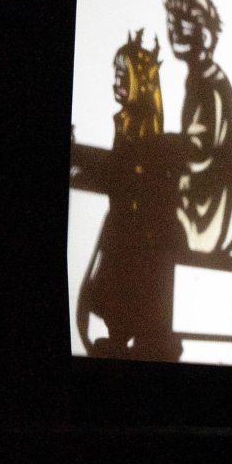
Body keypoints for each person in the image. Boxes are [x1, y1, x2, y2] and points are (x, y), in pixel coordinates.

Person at [84, 30, 183, 360]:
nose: (116, 82)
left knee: (123, 248)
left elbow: (125, 169)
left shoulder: (140, 124)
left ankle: (129, 332)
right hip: (134, 221)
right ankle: (122, 331)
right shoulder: (131, 119)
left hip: (143, 228)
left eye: (121, 75)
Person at [164, 0, 232, 254]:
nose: (174, 27)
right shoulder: (201, 78)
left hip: (211, 215)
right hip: (206, 204)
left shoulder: (209, 86)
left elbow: (198, 153)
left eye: (184, 21)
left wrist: (161, 144)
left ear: (207, 35)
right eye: (171, 20)